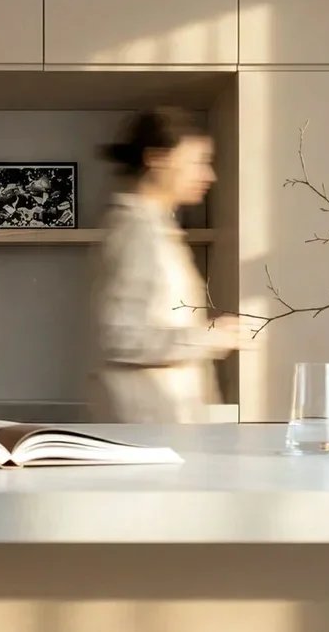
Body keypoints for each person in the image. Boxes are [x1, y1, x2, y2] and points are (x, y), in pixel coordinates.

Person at [89, 107, 250, 423]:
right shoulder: (136, 231)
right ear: (157, 159)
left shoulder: (155, 227)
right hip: (148, 427)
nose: (209, 176)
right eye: (197, 162)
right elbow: (120, 337)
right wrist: (210, 337)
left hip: (166, 426)